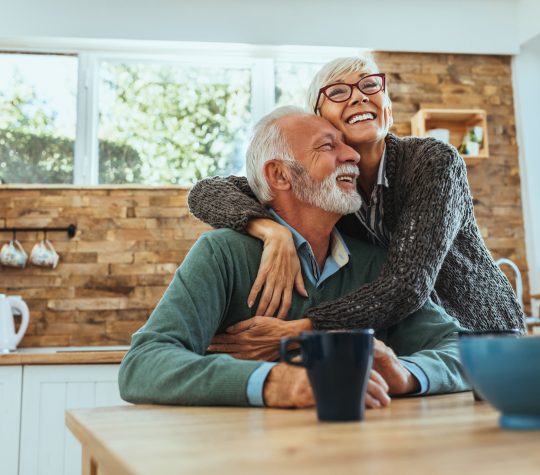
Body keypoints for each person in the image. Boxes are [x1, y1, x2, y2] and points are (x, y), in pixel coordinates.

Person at [118, 107, 469, 409]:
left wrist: (406, 374)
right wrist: (277, 382)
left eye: (346, 145)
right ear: (280, 174)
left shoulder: (376, 264)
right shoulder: (222, 253)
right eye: (329, 146)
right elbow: (143, 364)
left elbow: (462, 351)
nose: (353, 156)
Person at [187, 55, 525, 344]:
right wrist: (271, 231)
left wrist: (305, 328)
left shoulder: (433, 162)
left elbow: (406, 285)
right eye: (337, 91)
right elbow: (207, 191)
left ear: (387, 108)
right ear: (319, 118)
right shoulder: (326, 189)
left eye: (369, 86)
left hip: (481, 334)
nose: (359, 97)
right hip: (409, 341)